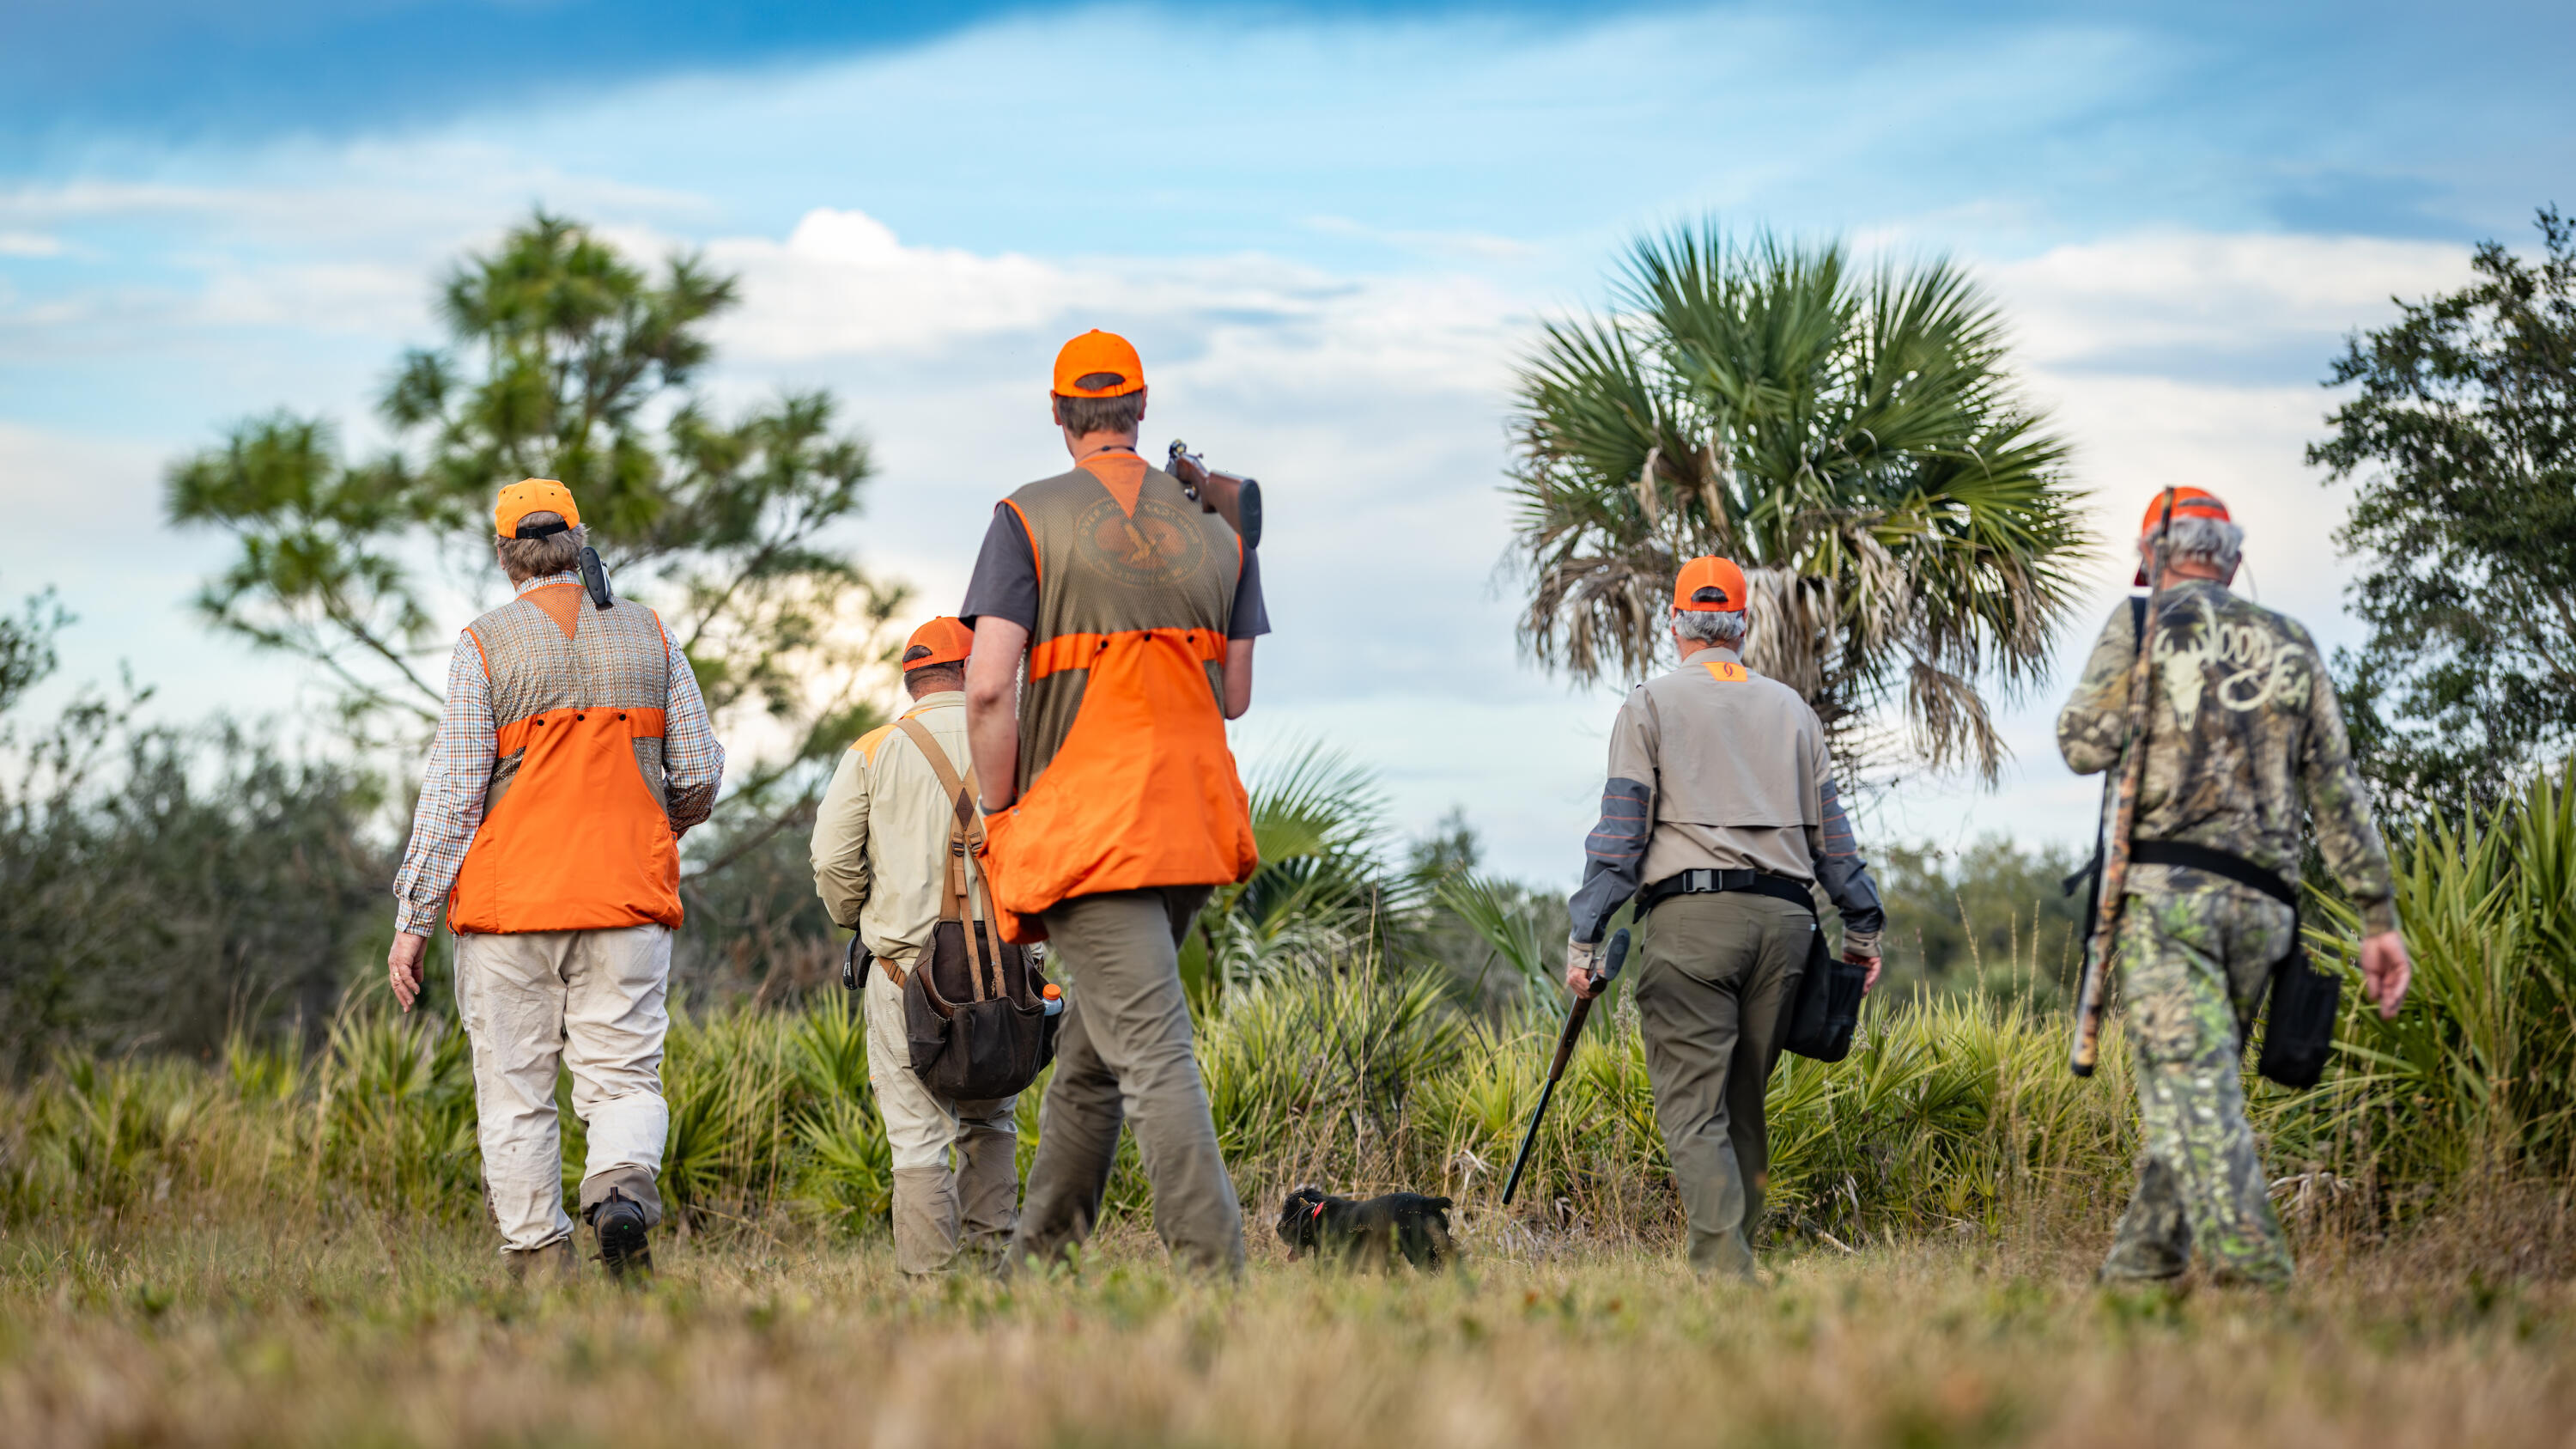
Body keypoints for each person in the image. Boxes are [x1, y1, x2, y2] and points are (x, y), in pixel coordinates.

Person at [959, 329, 1266, 1275]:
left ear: (1059, 416)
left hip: (1094, 831)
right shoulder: (1220, 527)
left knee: (1154, 1052)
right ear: (1142, 407)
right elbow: (1236, 694)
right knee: (1092, 1059)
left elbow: (983, 686)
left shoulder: (1024, 517)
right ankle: (1037, 1265)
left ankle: (1215, 1276)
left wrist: (1002, 809)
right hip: (1196, 826)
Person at [2060, 487, 2410, 1287]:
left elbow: (2082, 744)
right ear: (2234, 560)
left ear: (2152, 555)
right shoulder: (2293, 641)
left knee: (2193, 1094)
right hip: (2264, 912)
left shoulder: (2143, 621)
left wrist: (2137, 696)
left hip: (2167, 900)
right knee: (2199, 1087)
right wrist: (2376, 916)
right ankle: (2139, 1277)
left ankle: (2260, 1281)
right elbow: (2337, 789)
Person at [386, 478, 724, 1282]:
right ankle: (617, 1195)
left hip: (510, 912)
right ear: (579, 541)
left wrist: (413, 916)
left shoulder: (484, 645)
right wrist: (654, 827)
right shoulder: (652, 634)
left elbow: (454, 792)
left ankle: (540, 1262)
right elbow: (702, 769)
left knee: (515, 1091)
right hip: (628, 901)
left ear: (507, 555)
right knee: (625, 1074)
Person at [1564, 555, 1885, 1280]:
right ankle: (1737, 1263)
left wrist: (1587, 933)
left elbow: (1620, 836)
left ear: (1676, 624)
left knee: (1693, 1113)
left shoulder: (1648, 704)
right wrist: (1862, 930)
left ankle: (1726, 1279)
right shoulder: (1794, 711)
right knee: (1742, 1106)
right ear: (1743, 625)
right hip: (1787, 928)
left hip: (1691, 924)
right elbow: (1834, 841)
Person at [809, 616, 1022, 1275]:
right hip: (1006, 973)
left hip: (906, 980)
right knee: (991, 1124)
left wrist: (860, 919)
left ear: (912, 681)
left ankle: (931, 1294)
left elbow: (831, 863)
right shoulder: (1019, 738)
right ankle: (995, 1280)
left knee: (917, 1140)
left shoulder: (874, 749)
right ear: (967, 670)